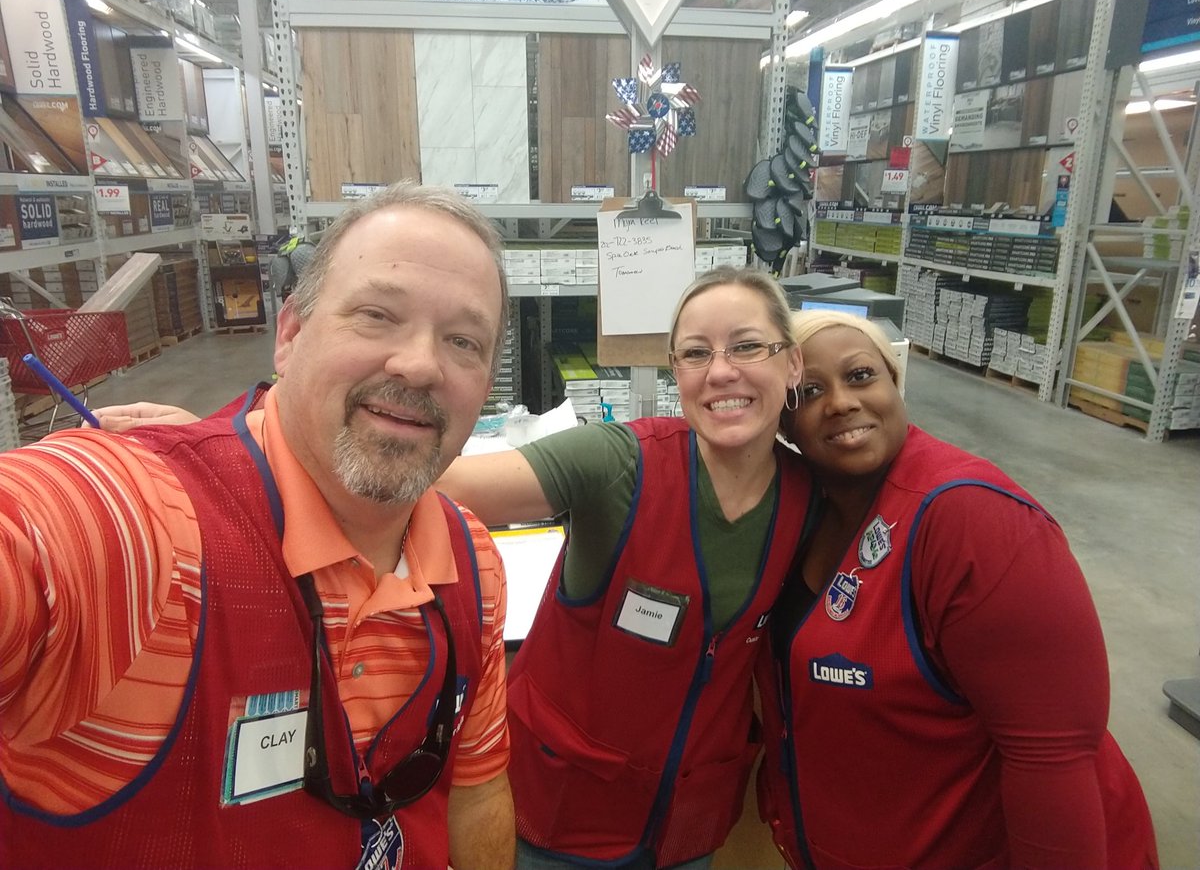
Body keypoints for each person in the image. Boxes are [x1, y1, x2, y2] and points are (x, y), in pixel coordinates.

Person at [0, 182, 516, 868]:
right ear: (291, 334)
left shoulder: (471, 561)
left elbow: (475, 790)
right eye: (376, 315)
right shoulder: (143, 531)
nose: (421, 365)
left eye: (463, 341)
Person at [437, 266, 814, 869]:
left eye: (747, 345)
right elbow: (433, 486)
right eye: (696, 353)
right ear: (676, 372)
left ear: (792, 363)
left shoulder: (808, 501)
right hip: (561, 818)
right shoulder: (618, 464)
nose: (721, 371)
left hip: (688, 825)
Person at [756, 309, 1159, 869]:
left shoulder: (974, 520)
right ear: (783, 423)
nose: (842, 402)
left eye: (861, 375)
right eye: (810, 392)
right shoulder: (799, 510)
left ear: (895, 382)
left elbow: (1051, 761)